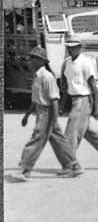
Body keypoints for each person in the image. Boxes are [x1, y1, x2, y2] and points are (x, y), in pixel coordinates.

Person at [13, 45, 82, 180]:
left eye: (33, 59)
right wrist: (27, 115)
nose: (30, 62)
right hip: (41, 111)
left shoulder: (47, 77)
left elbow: (54, 100)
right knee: (59, 141)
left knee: (37, 139)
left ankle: (25, 170)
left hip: (48, 112)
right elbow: (35, 100)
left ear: (41, 61)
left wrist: (54, 119)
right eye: (30, 59)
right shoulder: (37, 76)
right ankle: (73, 166)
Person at [60, 37, 98, 169]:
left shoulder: (86, 62)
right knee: (86, 131)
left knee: (71, 133)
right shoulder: (67, 63)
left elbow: (93, 86)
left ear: (79, 47)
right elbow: (66, 86)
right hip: (74, 100)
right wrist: (62, 104)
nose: (71, 50)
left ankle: (71, 165)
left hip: (83, 99)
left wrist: (97, 107)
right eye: (69, 47)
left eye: (74, 47)